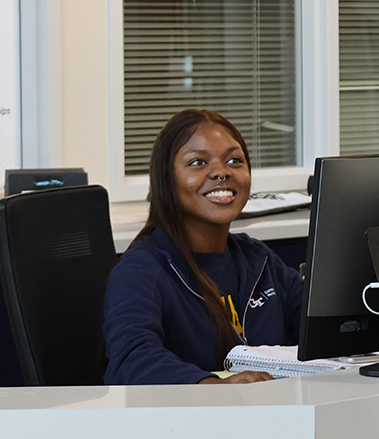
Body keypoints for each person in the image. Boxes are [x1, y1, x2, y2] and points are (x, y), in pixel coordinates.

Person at [103, 109, 302, 385]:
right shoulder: (141, 270)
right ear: (166, 179)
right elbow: (132, 361)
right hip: (185, 423)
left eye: (234, 160)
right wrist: (215, 388)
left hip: (271, 416)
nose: (221, 172)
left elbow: (323, 331)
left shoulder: (259, 260)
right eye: (198, 162)